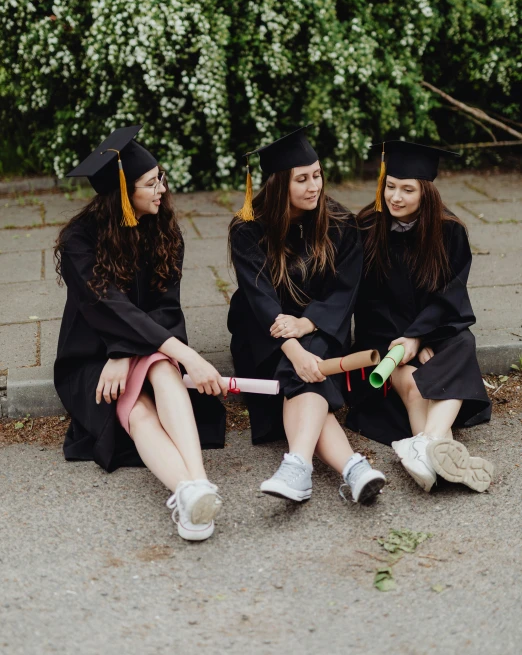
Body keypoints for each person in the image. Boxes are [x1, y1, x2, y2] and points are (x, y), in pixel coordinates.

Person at [54, 125, 228, 541]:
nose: (162, 191)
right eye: (151, 183)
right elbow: (110, 306)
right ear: (123, 194)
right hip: (91, 354)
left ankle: (197, 487)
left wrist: (131, 354)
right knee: (134, 409)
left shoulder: (164, 229)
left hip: (148, 345)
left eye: (161, 178)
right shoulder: (80, 241)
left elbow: (165, 308)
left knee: (163, 371)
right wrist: (180, 355)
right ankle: (186, 490)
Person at [228, 126, 386, 506]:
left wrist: (307, 324)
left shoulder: (341, 224)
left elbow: (344, 292)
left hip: (320, 326)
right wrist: (294, 349)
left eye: (317, 174)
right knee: (301, 371)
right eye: (302, 179)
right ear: (280, 183)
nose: (314, 185)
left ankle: (298, 465)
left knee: (302, 374)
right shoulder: (248, 228)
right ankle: (352, 467)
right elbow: (260, 297)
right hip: (263, 329)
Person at [345, 140, 493, 493]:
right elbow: (367, 305)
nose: (395, 196)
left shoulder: (450, 232)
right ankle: (436, 451)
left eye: (407, 189)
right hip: (382, 339)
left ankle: (423, 447)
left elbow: (449, 297)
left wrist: (421, 337)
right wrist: (407, 341)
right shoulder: (366, 228)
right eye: (390, 186)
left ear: (425, 192)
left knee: (462, 341)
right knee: (415, 387)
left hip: (433, 329)